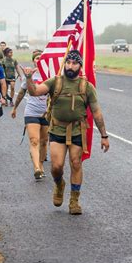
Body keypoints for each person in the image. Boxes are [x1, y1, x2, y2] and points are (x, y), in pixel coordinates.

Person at [25, 50, 110, 215]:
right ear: (65, 63)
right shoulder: (54, 82)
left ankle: (74, 200)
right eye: (68, 62)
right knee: (56, 167)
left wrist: (104, 135)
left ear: (80, 65)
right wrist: (29, 79)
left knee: (76, 163)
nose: (70, 66)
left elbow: (97, 112)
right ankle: (59, 184)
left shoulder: (86, 87)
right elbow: (34, 91)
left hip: (78, 130)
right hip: (57, 130)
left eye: (74, 63)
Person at [11, 50, 48, 180]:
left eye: (40, 58)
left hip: (47, 114)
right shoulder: (29, 75)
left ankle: (41, 164)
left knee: (44, 142)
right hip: (32, 112)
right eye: (36, 58)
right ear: (33, 61)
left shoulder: (51, 75)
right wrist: (15, 108)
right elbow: (21, 93)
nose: (38, 60)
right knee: (34, 140)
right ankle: (36, 167)